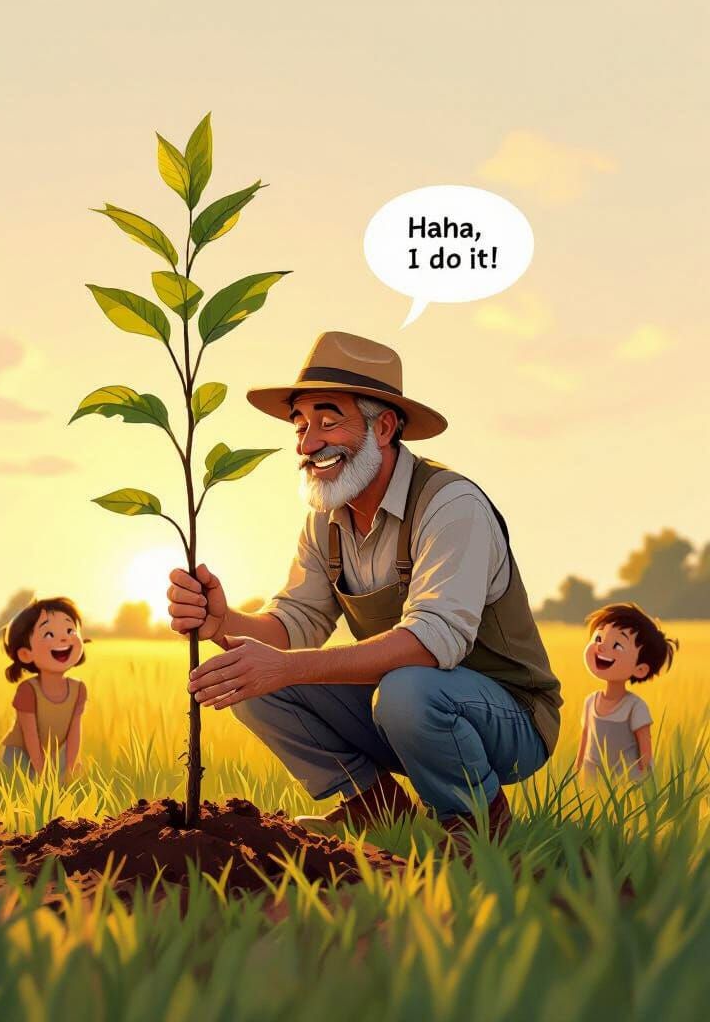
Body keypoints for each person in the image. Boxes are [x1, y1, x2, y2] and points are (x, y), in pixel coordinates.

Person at [167, 331, 563, 853]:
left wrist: (286, 666)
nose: (309, 444)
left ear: (385, 427)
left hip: (507, 717)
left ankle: (477, 828)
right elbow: (296, 622)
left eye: (330, 422)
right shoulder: (326, 522)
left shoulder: (451, 504)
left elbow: (431, 643)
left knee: (408, 690)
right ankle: (379, 815)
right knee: (251, 678)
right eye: (302, 425)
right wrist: (227, 624)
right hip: (402, 711)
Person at [575, 602, 678, 783]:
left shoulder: (635, 707)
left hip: (625, 781)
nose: (601, 647)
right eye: (598, 638)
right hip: (592, 777)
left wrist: (647, 784)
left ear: (640, 669)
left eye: (618, 645)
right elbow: (585, 737)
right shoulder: (590, 701)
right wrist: (578, 768)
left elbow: (645, 751)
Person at [0, 597, 87, 782]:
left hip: (53, 752)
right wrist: (42, 773)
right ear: (25, 654)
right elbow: (30, 735)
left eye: (70, 630)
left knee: (73, 776)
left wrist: (70, 767)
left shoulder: (78, 689)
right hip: (20, 753)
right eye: (49, 634)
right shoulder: (28, 690)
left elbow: (74, 732)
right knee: (27, 786)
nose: (64, 637)